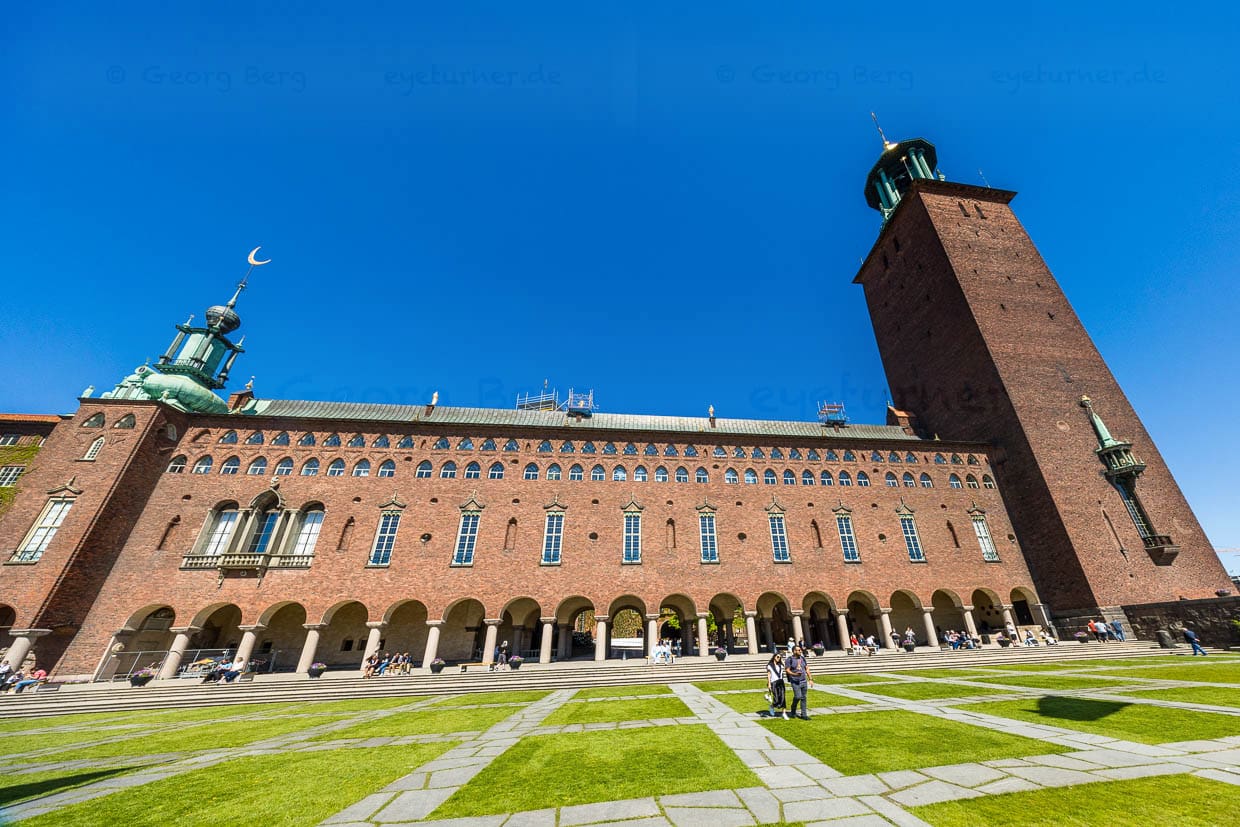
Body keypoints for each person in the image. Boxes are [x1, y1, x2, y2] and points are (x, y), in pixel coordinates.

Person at [784, 645, 812, 719]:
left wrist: (810, 679)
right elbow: (787, 670)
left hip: (803, 681)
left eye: (800, 650)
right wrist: (795, 674)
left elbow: (807, 668)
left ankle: (804, 714)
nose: (800, 651)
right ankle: (793, 709)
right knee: (797, 696)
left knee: (804, 698)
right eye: (798, 650)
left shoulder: (802, 658)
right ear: (794, 651)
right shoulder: (789, 659)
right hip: (795, 682)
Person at [766, 651, 787, 719]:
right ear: (774, 657)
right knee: (776, 699)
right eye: (778, 657)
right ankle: (772, 706)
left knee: (783, 697)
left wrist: (783, 663)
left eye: (780, 657)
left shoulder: (781, 665)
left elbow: (787, 669)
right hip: (773, 682)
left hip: (781, 682)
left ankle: (784, 713)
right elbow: (769, 675)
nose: (779, 658)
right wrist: (769, 684)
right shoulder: (770, 665)